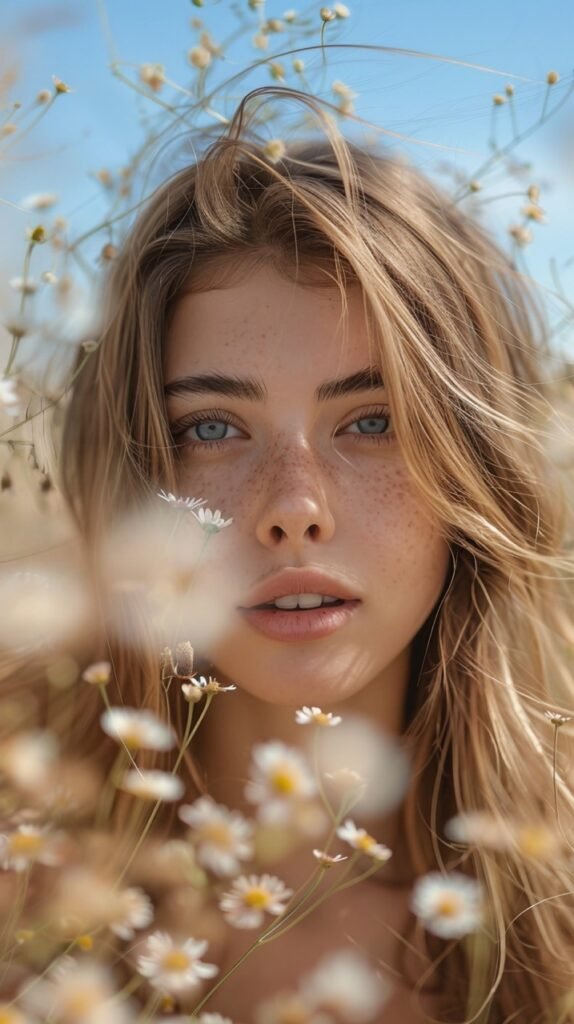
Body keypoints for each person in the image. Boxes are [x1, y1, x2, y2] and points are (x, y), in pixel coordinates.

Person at [33, 88, 574, 1020]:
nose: (294, 510)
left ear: (477, 466)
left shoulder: (550, 924)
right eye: (211, 427)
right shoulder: (24, 900)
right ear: (130, 483)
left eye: (372, 421)